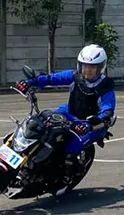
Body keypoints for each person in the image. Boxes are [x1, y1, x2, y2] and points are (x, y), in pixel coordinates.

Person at [14, 44, 117, 190]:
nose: (87, 70)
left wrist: (96, 121)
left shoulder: (106, 85)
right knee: (42, 123)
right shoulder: (75, 76)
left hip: (90, 124)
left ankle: (64, 179)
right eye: (84, 66)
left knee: (70, 150)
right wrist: (29, 83)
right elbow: (50, 79)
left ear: (100, 68)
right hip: (69, 113)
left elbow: (108, 108)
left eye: (92, 67)